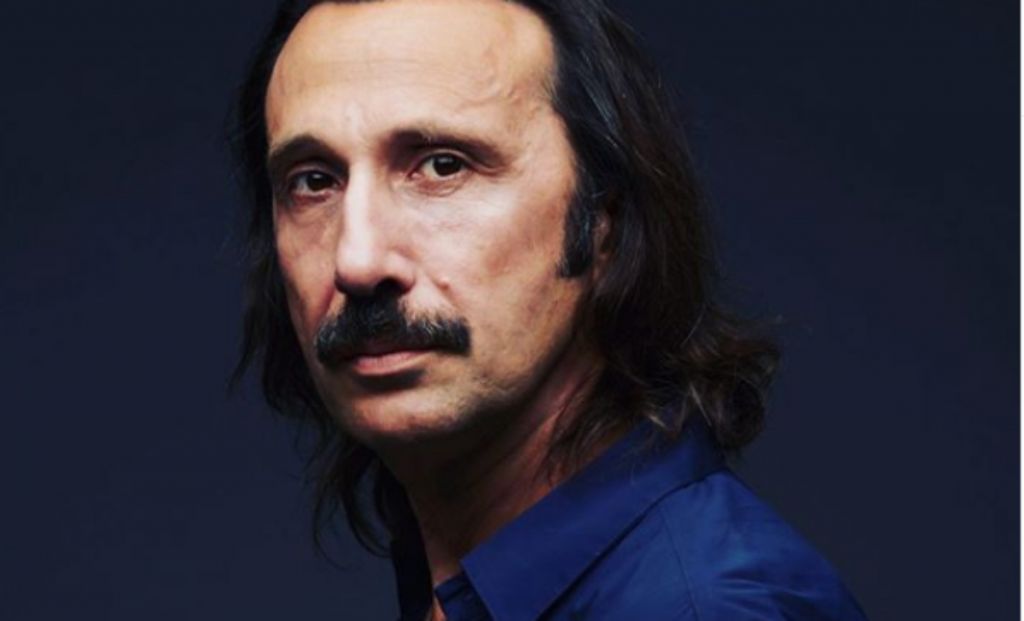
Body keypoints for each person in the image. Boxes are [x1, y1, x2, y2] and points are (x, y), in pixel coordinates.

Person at [230, 0, 868, 619]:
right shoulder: (463, 578)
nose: (358, 260)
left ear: (602, 223)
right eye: (314, 181)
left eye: (443, 166)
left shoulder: (702, 609)